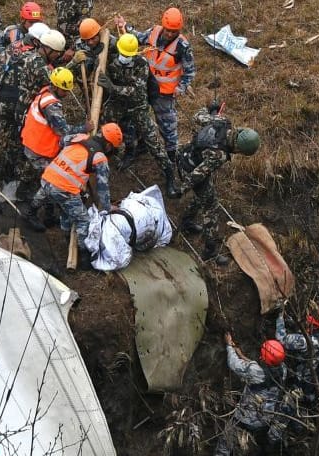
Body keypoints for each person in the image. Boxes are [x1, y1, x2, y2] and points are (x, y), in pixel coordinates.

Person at [177, 102, 260, 264]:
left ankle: (186, 222)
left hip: (185, 155)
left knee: (204, 194)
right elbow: (198, 174)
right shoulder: (219, 155)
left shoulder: (221, 122)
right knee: (211, 208)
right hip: (191, 168)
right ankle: (210, 251)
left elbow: (198, 116)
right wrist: (181, 189)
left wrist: (208, 109)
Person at [98, 34, 177, 197]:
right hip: (118, 104)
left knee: (153, 141)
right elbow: (105, 38)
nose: (124, 57)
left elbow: (135, 91)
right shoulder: (112, 60)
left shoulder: (141, 65)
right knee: (105, 125)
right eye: (123, 54)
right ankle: (119, 152)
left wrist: (112, 88)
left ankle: (169, 174)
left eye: (128, 55)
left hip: (137, 106)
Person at [0, 29, 66, 199]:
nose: (57, 57)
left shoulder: (29, 56)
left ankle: (11, 177)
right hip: (28, 110)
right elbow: (58, 81)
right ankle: (18, 182)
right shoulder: (40, 67)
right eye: (57, 54)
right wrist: (71, 65)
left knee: (16, 143)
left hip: (20, 105)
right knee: (25, 148)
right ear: (49, 50)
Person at [24, 122, 122, 237]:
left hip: (49, 175)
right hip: (64, 189)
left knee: (46, 191)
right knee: (84, 221)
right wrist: (107, 207)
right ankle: (82, 250)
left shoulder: (78, 137)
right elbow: (103, 188)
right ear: (109, 146)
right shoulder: (100, 159)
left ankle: (30, 212)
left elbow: (61, 141)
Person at [213, 335, 293, 456]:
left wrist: (229, 346)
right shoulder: (283, 370)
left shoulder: (255, 370)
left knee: (226, 438)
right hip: (266, 418)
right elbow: (258, 369)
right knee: (260, 443)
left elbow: (233, 364)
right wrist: (242, 355)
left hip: (245, 418)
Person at [135, 7, 195, 169]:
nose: (170, 34)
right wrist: (124, 27)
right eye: (168, 30)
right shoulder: (153, 32)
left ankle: (171, 155)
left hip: (164, 94)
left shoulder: (182, 45)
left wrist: (181, 88)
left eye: (174, 31)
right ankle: (141, 144)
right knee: (140, 117)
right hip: (145, 85)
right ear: (163, 27)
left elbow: (190, 71)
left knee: (167, 126)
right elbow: (137, 38)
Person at [19, 67, 88, 197]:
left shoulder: (44, 92)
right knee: (51, 178)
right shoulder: (51, 106)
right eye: (64, 90)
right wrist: (84, 128)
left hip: (31, 142)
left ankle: (21, 192)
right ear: (56, 87)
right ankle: (36, 204)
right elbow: (64, 131)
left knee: (29, 169)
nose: (67, 94)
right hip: (39, 149)